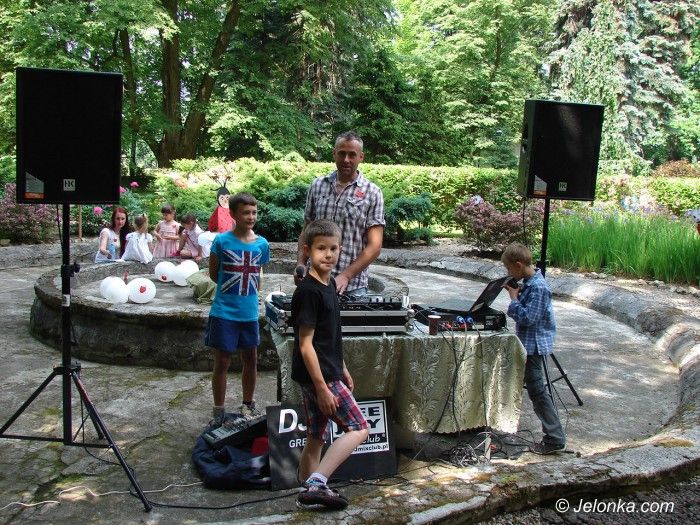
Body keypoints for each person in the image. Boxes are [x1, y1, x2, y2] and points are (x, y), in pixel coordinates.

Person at [292, 219, 369, 510]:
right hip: (320, 376)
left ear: (341, 249)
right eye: (321, 248)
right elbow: (305, 344)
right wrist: (323, 387)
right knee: (359, 428)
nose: (328, 254)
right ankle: (317, 483)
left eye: (333, 248)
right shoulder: (308, 292)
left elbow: (330, 336)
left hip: (327, 370)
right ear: (307, 250)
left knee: (316, 436)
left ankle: (305, 493)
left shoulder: (331, 285)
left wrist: (343, 366)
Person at [205, 192, 270, 421]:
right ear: (233, 214)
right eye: (245, 213)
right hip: (224, 312)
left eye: (254, 212)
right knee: (222, 361)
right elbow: (214, 274)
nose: (251, 217)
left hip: (249, 313)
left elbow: (258, 272)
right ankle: (219, 411)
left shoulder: (262, 244)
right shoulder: (221, 241)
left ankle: (248, 404)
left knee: (250, 359)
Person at [295, 131, 384, 296]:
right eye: (342, 153)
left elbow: (375, 246)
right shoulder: (317, 186)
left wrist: (346, 276)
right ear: (334, 154)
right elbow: (306, 231)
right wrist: (300, 264)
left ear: (361, 157)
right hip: (314, 281)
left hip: (352, 287)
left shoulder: (372, 193)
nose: (346, 160)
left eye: (352, 155)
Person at [502, 243, 566, 455]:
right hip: (526, 344)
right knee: (523, 386)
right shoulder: (529, 283)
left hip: (534, 346)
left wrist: (513, 300)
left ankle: (555, 437)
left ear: (519, 265)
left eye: (509, 269)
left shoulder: (539, 287)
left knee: (538, 391)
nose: (509, 273)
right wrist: (518, 293)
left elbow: (529, 318)